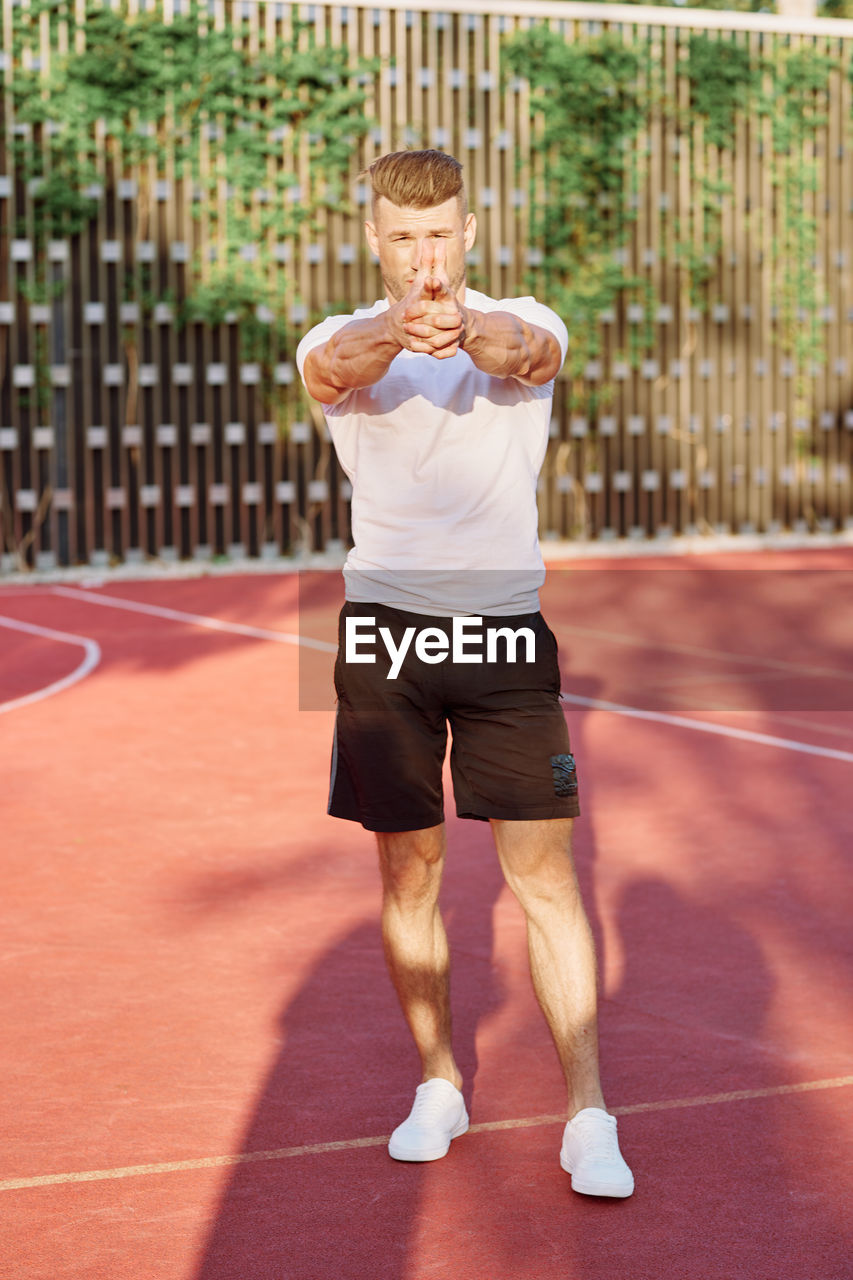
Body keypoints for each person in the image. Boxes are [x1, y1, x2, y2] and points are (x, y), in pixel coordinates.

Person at [296, 150, 633, 1198]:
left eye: (439, 234)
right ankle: (438, 1078)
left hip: (501, 631)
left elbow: (523, 351)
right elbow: (336, 367)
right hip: (387, 636)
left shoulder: (525, 317)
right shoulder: (334, 337)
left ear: (470, 231)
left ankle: (588, 1113)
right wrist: (395, 332)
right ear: (373, 242)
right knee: (410, 874)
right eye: (403, 239)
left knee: (543, 879)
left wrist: (462, 328)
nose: (424, 258)